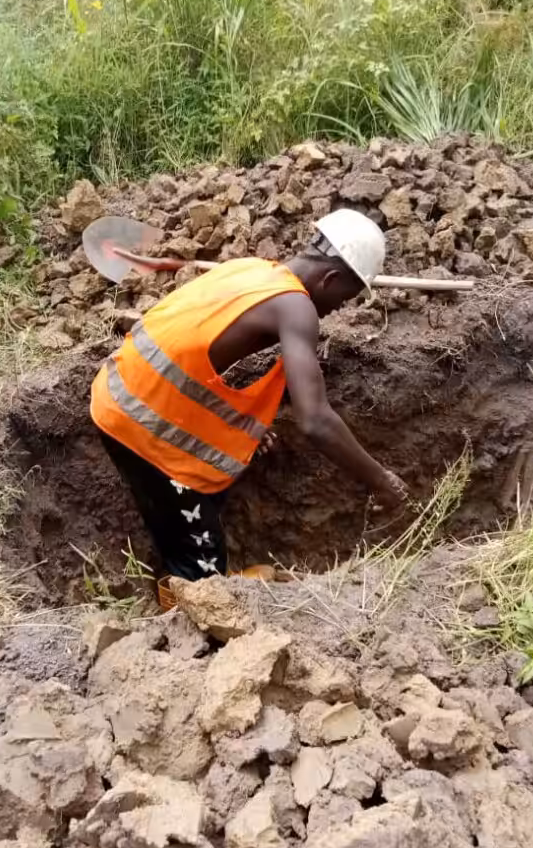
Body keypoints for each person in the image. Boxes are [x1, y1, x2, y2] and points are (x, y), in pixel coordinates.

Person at [90, 208, 408, 583]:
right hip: (136, 424)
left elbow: (190, 364)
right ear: (331, 278)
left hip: (121, 392)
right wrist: (382, 481)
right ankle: (183, 608)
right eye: (345, 298)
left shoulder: (254, 269)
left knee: (206, 497)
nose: (340, 308)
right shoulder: (296, 307)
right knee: (204, 577)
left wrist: (240, 428)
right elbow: (315, 420)